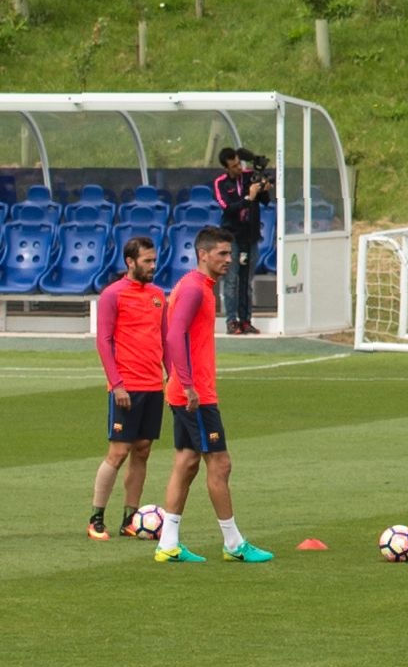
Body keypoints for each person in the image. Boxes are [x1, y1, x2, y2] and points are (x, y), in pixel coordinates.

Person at [154, 226, 274, 563]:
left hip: (185, 389)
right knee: (220, 464)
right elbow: (174, 336)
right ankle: (233, 543)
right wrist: (189, 383)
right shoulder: (194, 289)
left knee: (186, 463)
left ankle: (168, 543)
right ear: (202, 254)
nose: (228, 259)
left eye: (229, 253)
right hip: (196, 395)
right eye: (221, 253)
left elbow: (171, 332)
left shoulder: (194, 287)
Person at [87, 236, 169, 542]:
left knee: (143, 451)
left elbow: (166, 341)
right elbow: (104, 341)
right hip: (126, 387)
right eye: (147, 261)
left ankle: (130, 518)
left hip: (153, 386)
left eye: (154, 260)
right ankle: (96, 517)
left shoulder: (159, 296)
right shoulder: (112, 296)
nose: (152, 266)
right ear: (130, 262)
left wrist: (171, 376)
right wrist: (116, 384)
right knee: (118, 452)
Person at [210, 147, 278, 334]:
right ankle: (232, 321)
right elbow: (228, 208)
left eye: (239, 163)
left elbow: (264, 200)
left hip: (250, 235)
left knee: (246, 281)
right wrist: (249, 197)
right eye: (233, 166)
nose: (238, 168)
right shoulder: (220, 183)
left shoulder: (249, 176)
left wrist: (264, 189)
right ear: (226, 167)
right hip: (230, 237)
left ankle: (246, 320)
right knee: (231, 280)